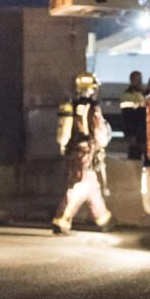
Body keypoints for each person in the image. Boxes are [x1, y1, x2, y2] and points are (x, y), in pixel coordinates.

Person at [52, 72, 115, 235]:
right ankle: (62, 220)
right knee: (79, 186)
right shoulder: (93, 107)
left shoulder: (72, 105)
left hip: (76, 151)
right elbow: (100, 131)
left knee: (92, 187)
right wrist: (103, 143)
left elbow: (65, 133)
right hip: (85, 151)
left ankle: (104, 220)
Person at [120, 70, 147, 161]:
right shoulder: (128, 95)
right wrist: (130, 135)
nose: (139, 81)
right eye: (137, 79)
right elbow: (127, 117)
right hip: (134, 131)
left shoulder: (142, 93)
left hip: (142, 130)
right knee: (134, 157)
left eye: (140, 79)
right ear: (131, 80)